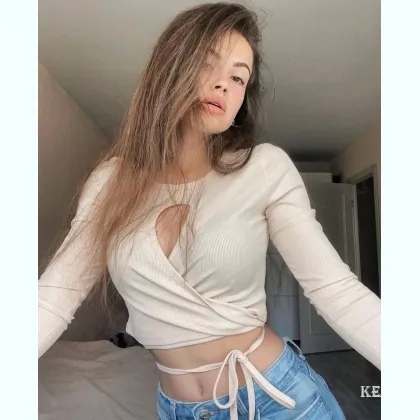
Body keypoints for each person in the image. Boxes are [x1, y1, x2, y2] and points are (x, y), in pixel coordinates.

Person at [38, 3, 380, 419]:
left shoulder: (264, 168)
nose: (223, 84)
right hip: (180, 410)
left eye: (238, 77)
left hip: (280, 399)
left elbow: (336, 291)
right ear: (170, 66)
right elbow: (55, 296)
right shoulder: (111, 182)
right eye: (207, 63)